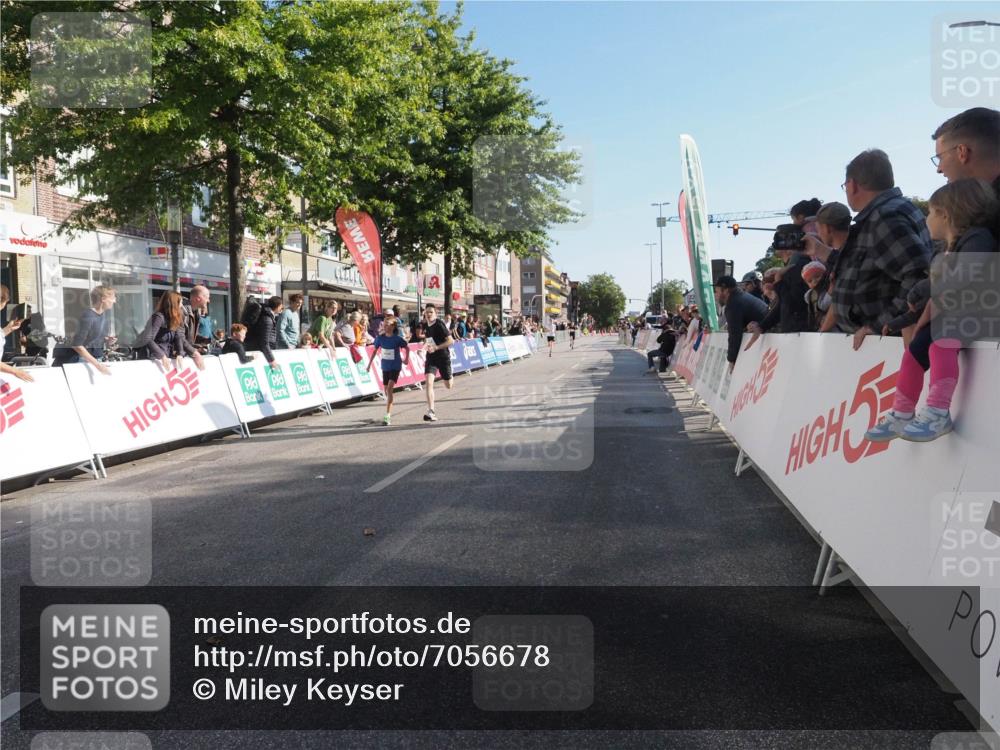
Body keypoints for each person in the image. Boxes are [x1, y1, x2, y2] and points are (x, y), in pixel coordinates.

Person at [866, 178, 998, 443]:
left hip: (980, 315)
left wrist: (927, 285)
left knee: (940, 344)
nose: (926, 219)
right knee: (914, 352)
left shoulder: (978, 237)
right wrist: (902, 319)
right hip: (953, 317)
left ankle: (938, 411)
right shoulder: (945, 251)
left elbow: (963, 275)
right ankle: (902, 412)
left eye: (930, 213)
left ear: (945, 215)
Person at [829, 149, 932, 349]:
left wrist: (881, 324)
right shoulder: (897, 209)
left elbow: (919, 272)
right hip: (883, 341)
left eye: (845, 186)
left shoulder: (883, 217)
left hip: (885, 343)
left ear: (852, 185)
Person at [746, 225, 812, 344]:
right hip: (794, 334)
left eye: (779, 239)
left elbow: (793, 303)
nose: (774, 243)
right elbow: (783, 304)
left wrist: (779, 281)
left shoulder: (799, 265)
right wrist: (762, 326)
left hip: (799, 336)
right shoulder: (792, 265)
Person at [52, 285, 117, 375]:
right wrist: (98, 365)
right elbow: (77, 345)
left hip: (93, 360)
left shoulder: (103, 316)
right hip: (80, 361)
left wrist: (107, 341)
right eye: (113, 298)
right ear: (103, 299)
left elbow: (92, 339)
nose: (115, 301)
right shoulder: (88, 316)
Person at [134, 291, 206, 371]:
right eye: (180, 303)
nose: (182, 306)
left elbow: (179, 336)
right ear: (174, 303)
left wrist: (180, 353)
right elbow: (147, 339)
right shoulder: (158, 317)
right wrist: (162, 356)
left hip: (165, 358)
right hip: (151, 359)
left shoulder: (175, 317)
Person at [713, 276, 768, 373]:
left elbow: (735, 334)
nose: (715, 295)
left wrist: (732, 359)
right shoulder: (741, 296)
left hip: (769, 335)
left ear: (725, 290)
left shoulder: (733, 304)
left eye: (717, 291)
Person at [366, 318, 410, 426]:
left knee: (390, 389)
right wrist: (369, 365)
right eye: (384, 325)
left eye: (388, 325)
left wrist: (406, 359)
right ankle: (389, 406)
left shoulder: (397, 339)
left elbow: (407, 348)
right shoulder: (380, 339)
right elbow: (375, 351)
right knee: (386, 391)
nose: (386, 326)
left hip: (395, 366)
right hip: (385, 367)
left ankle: (388, 415)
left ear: (393, 327)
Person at [421, 303, 453, 422]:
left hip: (443, 357)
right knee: (429, 383)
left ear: (435, 313)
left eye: (431, 312)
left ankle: (450, 374)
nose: (428, 314)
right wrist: (422, 348)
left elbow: (451, 341)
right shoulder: (426, 326)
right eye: (427, 312)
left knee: (448, 385)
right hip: (431, 358)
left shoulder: (439, 324)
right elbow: (429, 341)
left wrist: (437, 348)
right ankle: (431, 411)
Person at [245, 295, 282, 369]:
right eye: (281, 306)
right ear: (278, 306)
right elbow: (264, 342)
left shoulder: (267, 316)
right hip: (260, 352)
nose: (282, 308)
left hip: (261, 351)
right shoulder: (267, 319)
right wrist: (272, 360)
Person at [184, 285, 212, 353]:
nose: (208, 301)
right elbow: (179, 336)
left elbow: (189, 335)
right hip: (174, 357)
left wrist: (204, 340)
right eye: (207, 298)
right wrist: (194, 352)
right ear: (198, 298)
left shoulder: (195, 312)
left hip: (184, 353)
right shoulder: (183, 311)